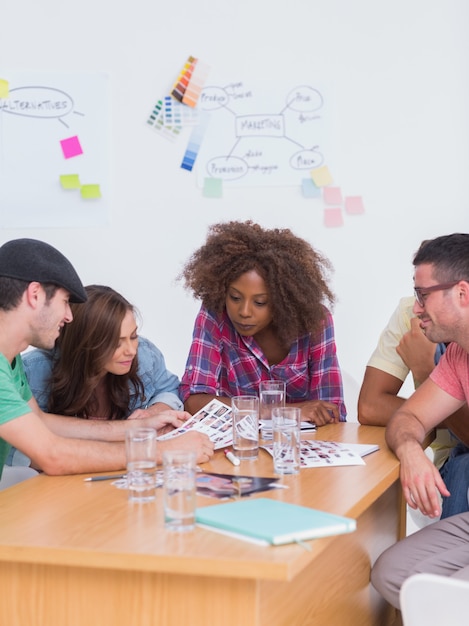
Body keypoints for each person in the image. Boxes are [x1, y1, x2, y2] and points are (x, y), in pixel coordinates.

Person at [0, 238, 213, 476]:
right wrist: (164, 451)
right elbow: (52, 455)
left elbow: (41, 421)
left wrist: (137, 427)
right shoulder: (26, 367)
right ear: (35, 295)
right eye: (64, 302)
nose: (69, 316)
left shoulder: (10, 360)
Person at [371, 233, 469, 609]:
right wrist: (411, 450)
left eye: (423, 295)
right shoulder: (458, 356)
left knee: (446, 597)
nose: (416, 308)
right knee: (391, 573)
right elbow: (409, 415)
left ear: (461, 293)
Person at [178, 220, 346, 425]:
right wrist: (283, 411)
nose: (244, 312)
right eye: (235, 298)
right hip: (236, 446)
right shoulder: (215, 316)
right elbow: (194, 402)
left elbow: (330, 412)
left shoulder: (316, 324)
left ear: (283, 299)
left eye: (260, 302)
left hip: (299, 448)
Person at [7, 284, 184, 466]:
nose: (131, 351)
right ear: (85, 344)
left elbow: (169, 388)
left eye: (133, 336)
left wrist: (151, 415)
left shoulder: (144, 354)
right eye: (116, 343)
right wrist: (151, 449)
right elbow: (27, 455)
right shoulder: (33, 370)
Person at [358, 295, 469, 519]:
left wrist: (427, 371)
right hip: (448, 463)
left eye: (426, 294)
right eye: (419, 292)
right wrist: (430, 411)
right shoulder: (412, 313)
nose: (419, 305)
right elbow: (370, 406)